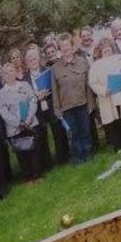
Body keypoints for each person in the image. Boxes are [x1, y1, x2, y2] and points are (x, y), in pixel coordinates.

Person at [0, 62, 43, 181]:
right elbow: (4, 113)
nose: (9, 74)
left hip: (30, 123)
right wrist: (19, 123)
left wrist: (29, 118)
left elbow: (33, 100)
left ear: (15, 72)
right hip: (15, 128)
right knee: (22, 153)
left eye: (11, 71)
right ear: (2, 76)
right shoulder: (0, 94)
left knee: (34, 150)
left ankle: (37, 175)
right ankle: (28, 178)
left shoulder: (25, 85)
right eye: (6, 73)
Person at [52, 34, 93, 163]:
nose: (65, 48)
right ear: (59, 48)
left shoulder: (82, 62)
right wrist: (57, 109)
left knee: (85, 130)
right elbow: (54, 91)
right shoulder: (55, 68)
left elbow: (88, 85)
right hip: (66, 107)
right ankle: (78, 157)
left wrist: (91, 103)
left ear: (72, 46)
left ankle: (88, 154)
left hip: (82, 103)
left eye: (67, 45)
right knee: (73, 133)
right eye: (62, 46)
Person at [88, 37, 121, 149]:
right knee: (112, 122)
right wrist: (104, 90)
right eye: (104, 48)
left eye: (108, 47)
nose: (107, 50)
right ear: (100, 51)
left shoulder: (120, 58)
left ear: (112, 48)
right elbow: (93, 83)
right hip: (108, 96)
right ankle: (117, 146)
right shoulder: (95, 65)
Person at [24, 46, 65, 169]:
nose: (33, 61)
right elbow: (26, 97)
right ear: (27, 63)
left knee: (58, 132)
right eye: (30, 60)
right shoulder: (25, 79)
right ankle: (47, 163)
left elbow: (56, 86)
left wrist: (48, 92)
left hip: (51, 104)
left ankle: (62, 158)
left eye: (35, 58)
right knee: (41, 135)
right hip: (37, 109)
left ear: (39, 59)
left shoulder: (48, 71)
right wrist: (36, 97)